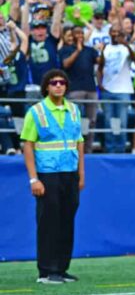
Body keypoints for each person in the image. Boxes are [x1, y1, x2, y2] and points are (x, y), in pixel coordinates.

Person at [20, 69, 84, 284]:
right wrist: (33, 179)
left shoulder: (74, 110)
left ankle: (62, 268)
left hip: (70, 174)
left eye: (62, 82)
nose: (58, 85)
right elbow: (27, 144)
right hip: (47, 175)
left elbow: (80, 142)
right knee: (48, 222)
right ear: (46, 86)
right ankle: (46, 271)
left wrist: (81, 174)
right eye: (54, 82)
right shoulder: (36, 112)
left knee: (67, 221)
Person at [97, 26, 135, 154]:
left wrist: (127, 45)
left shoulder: (126, 48)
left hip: (123, 90)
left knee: (122, 122)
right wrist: (100, 82)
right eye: (113, 32)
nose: (115, 34)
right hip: (107, 90)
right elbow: (100, 67)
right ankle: (110, 149)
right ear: (109, 33)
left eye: (118, 32)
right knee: (109, 122)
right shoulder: (106, 48)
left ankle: (121, 149)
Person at [61, 26, 99, 153]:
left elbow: (100, 63)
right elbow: (66, 64)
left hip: (91, 89)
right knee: (74, 121)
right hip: (74, 89)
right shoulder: (66, 49)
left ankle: (88, 149)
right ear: (72, 35)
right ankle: (72, 148)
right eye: (77, 33)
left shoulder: (90, 50)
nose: (80, 35)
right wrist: (77, 51)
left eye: (82, 33)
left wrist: (102, 52)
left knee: (91, 121)